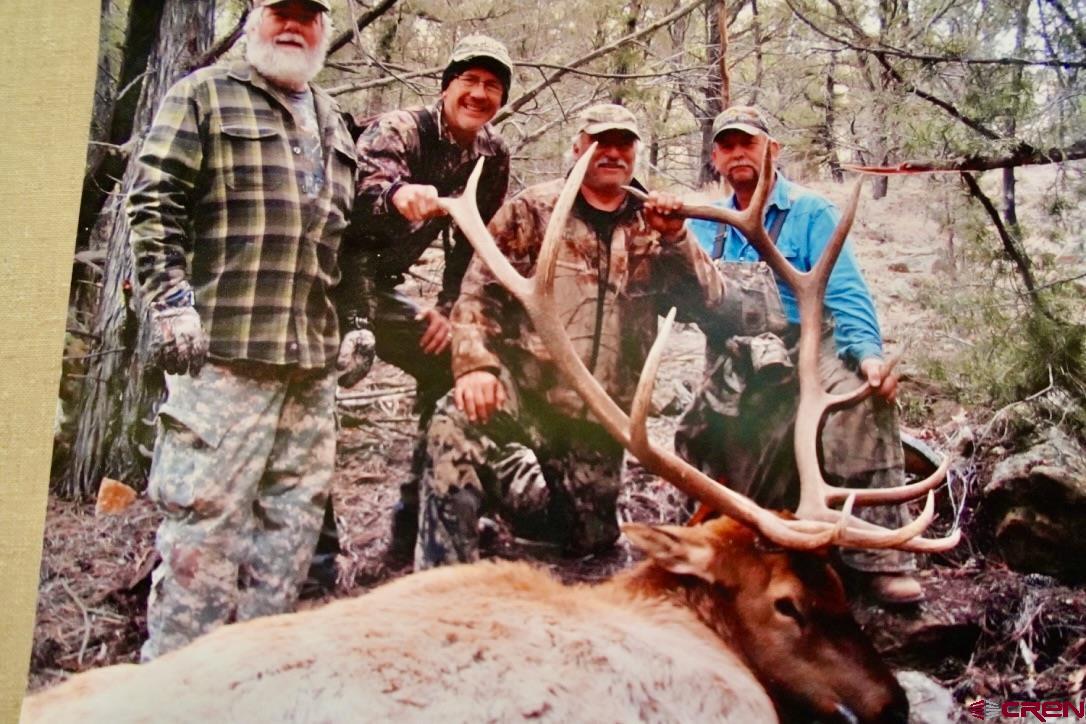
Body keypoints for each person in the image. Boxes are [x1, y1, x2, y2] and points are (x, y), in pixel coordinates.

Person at [130, 0, 373, 660]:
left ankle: (254, 684)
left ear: (324, 27)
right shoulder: (202, 95)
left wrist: (356, 322)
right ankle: (174, 693)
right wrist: (172, 301)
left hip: (310, 375)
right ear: (255, 17)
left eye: (308, 14)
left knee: (288, 543)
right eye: (279, 11)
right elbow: (153, 203)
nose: (293, 25)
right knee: (201, 541)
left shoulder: (333, 120)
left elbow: (349, 247)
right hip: (224, 365)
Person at [415, 104, 729, 570]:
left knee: (589, 540)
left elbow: (711, 303)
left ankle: (510, 480)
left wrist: (678, 238)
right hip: (524, 390)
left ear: (636, 153)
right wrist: (476, 365)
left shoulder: (655, 224)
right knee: (454, 423)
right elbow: (478, 295)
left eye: (624, 143)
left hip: (596, 417)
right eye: (601, 141)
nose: (613, 152)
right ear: (578, 147)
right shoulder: (530, 211)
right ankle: (440, 583)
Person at [675, 105, 923, 604]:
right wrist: (668, 234)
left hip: (811, 342)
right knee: (700, 433)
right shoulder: (703, 224)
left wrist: (868, 355)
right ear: (715, 158)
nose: (738, 152)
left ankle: (878, 560)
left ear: (773, 150)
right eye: (727, 145)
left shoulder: (810, 212)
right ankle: (743, 537)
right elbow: (682, 300)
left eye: (749, 142)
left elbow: (847, 291)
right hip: (739, 351)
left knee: (858, 399)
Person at [333, 34, 513, 562]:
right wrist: (397, 197)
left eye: (492, 87)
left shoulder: (492, 154)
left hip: (385, 295)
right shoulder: (401, 129)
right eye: (470, 81)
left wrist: (454, 310)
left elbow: (475, 246)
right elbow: (363, 197)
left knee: (448, 362)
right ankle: (318, 563)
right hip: (330, 282)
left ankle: (415, 527)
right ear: (446, 86)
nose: (479, 94)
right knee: (311, 405)